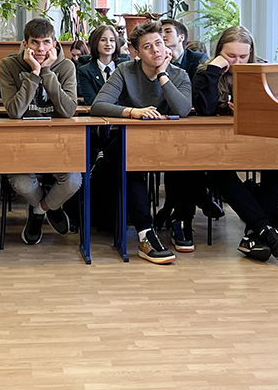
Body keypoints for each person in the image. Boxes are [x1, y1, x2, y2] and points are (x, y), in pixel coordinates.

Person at [90, 20, 192, 265]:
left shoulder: (179, 74)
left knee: (188, 157)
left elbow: (183, 109)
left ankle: (179, 222)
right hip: (127, 140)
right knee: (130, 162)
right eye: (148, 47)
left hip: (166, 142)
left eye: (159, 43)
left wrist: (163, 75)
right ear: (136, 52)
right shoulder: (125, 70)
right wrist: (131, 112)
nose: (156, 50)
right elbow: (98, 105)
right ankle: (146, 233)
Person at [191, 26, 278, 261]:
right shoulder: (205, 73)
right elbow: (204, 111)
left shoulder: (263, 71)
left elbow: (277, 109)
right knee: (219, 172)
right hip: (218, 145)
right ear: (219, 52)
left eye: (243, 56)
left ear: (251, 53)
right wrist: (214, 70)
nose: (237, 62)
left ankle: (255, 235)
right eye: (230, 56)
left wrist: (252, 111)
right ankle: (266, 231)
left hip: (256, 141)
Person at [0, 18, 80, 245]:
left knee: (73, 181)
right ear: (25, 44)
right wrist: (35, 73)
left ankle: (39, 210)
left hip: (59, 143)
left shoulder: (66, 67)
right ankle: (51, 206)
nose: (41, 49)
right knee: (21, 182)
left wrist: (46, 71)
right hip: (22, 144)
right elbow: (15, 111)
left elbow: (68, 110)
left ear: (54, 43)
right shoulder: (9, 66)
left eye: (46, 42)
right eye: (35, 42)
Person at [156, 16, 217, 245]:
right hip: (167, 123)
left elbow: (190, 97)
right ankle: (196, 200)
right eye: (160, 32)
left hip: (194, 124)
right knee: (178, 158)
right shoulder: (155, 61)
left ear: (181, 37)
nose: (163, 35)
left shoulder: (196, 60)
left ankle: (177, 211)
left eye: (167, 31)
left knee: (187, 157)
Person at [76, 24, 123, 104]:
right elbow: (92, 101)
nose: (108, 44)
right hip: (98, 111)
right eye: (103, 40)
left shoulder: (124, 67)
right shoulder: (85, 71)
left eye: (112, 40)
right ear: (95, 43)